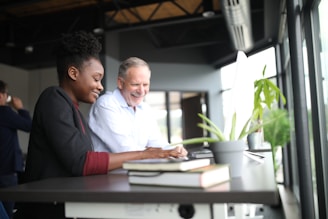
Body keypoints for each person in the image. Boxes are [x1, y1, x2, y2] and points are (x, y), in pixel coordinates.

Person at [16, 31, 186, 219]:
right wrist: (146, 153)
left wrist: (163, 151)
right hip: (44, 210)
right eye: (96, 79)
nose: (100, 86)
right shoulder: (53, 98)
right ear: (73, 73)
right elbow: (81, 162)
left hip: (63, 205)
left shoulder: (74, 110)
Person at [88, 57, 186, 154]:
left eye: (145, 84)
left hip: (137, 169)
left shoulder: (145, 109)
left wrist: (175, 151)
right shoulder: (106, 104)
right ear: (120, 83)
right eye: (135, 84)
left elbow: (156, 142)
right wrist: (165, 153)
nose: (141, 91)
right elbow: (126, 150)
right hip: (111, 170)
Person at [0, 80, 32, 219]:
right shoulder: (4, 112)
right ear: (1, 96)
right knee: (7, 212)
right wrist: (21, 109)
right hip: (6, 171)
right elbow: (29, 126)